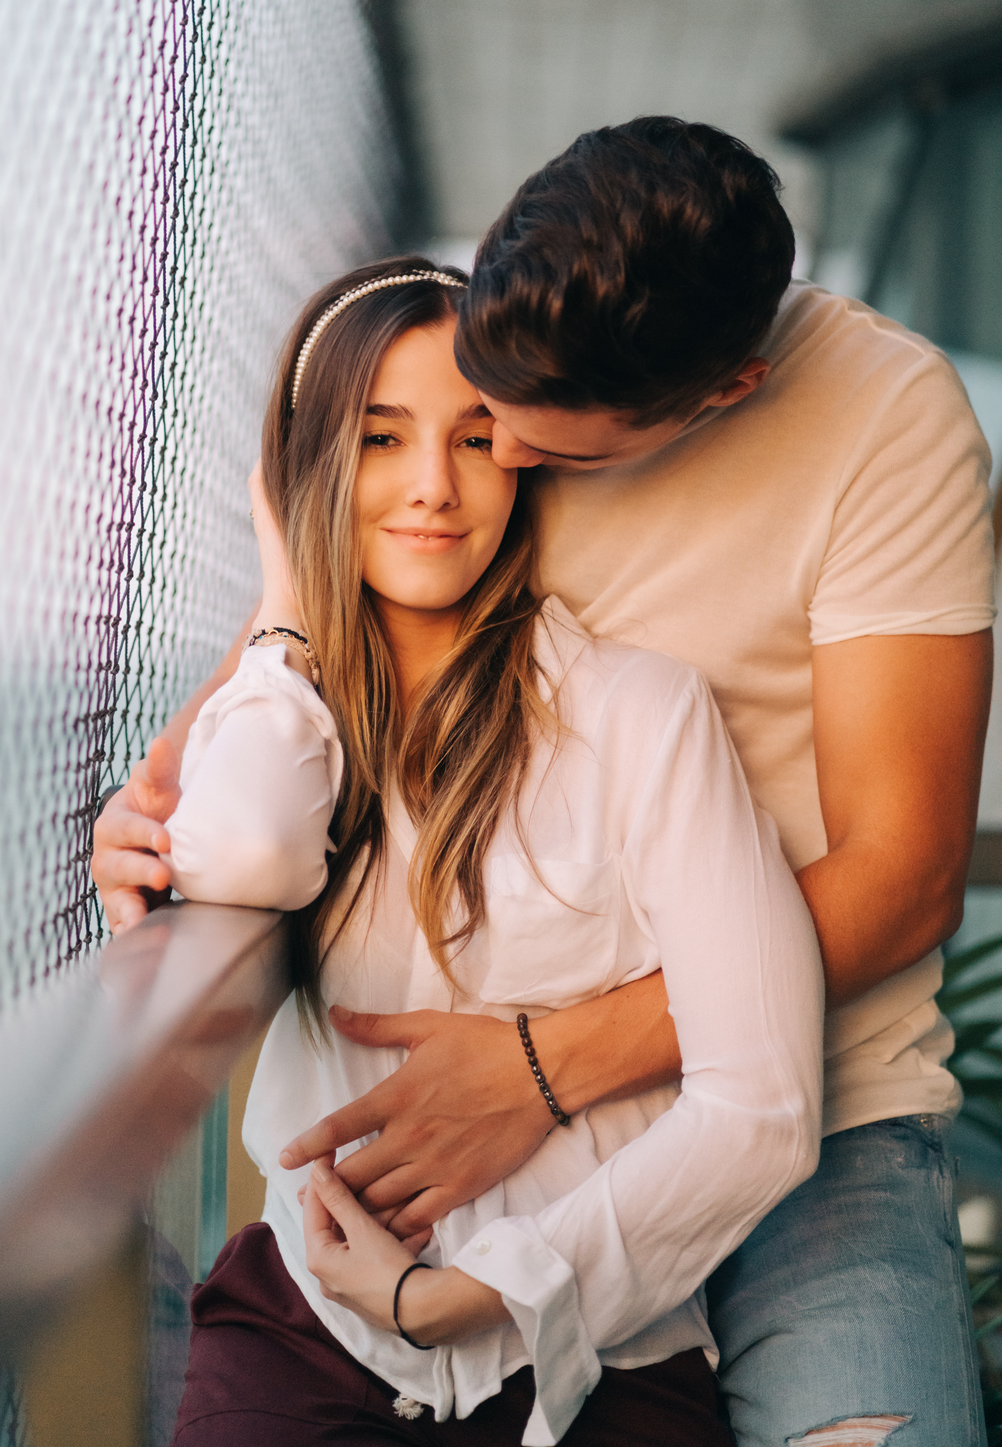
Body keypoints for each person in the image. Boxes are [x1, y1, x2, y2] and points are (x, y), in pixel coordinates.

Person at [93, 118, 995, 1446]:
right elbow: (322, 618)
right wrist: (167, 786)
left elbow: (905, 874)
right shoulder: (503, 341)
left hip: (819, 1090)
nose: (485, 463)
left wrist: (543, 1066)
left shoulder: (879, 421)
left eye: (536, 450)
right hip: (474, 1165)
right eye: (464, 409)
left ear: (722, 393)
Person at [160, 263, 823, 1445]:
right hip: (308, 1332)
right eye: (378, 437)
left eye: (475, 440)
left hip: (592, 1355)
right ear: (310, 463)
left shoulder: (640, 713)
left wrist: (472, 1291)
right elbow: (250, 848)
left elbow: (761, 1102)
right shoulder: (283, 722)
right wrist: (283, 600)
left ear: (524, 458)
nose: (432, 488)